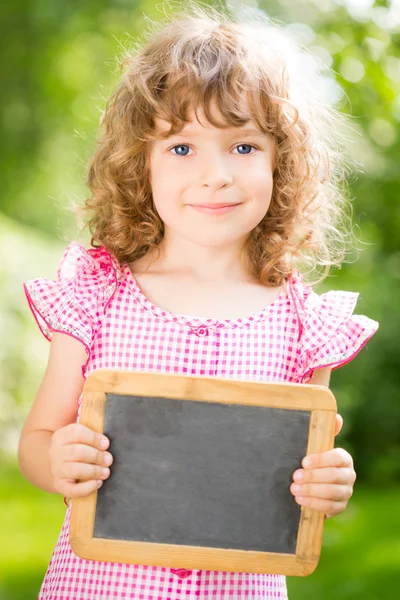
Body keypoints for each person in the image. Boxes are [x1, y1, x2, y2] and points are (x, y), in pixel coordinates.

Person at [18, 2, 379, 599]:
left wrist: (326, 486)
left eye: (243, 147)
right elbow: (37, 442)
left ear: (280, 163)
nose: (216, 175)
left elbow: (305, 464)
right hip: (100, 587)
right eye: (182, 148)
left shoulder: (303, 325)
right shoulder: (96, 295)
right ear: (142, 165)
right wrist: (57, 457)